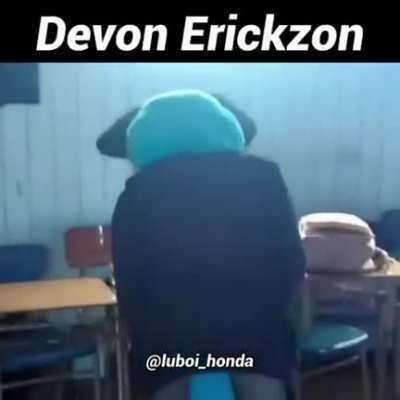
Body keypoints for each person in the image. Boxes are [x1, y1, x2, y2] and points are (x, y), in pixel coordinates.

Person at [111, 90, 305, 399]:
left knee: (165, 378)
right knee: (263, 378)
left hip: (171, 335)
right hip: (253, 329)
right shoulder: (265, 180)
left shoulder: (136, 194)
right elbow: (291, 260)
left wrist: (139, 327)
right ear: (226, 129)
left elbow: (130, 277)